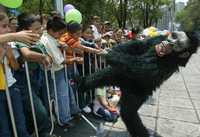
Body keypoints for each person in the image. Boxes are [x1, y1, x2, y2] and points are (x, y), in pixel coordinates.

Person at [77, 31, 199, 137]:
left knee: (127, 114)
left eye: (178, 44)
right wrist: (115, 51)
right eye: (173, 36)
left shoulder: (168, 67)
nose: (169, 43)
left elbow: (137, 68)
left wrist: (111, 55)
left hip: (139, 88)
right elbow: (138, 46)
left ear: (183, 54)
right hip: (124, 72)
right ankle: (78, 88)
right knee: (95, 79)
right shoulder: (161, 39)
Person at [13, 13, 55, 137]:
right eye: (36, 29)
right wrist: (42, 57)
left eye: (41, 27)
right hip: (24, 81)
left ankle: (38, 132)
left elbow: (48, 57)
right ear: (25, 31)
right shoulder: (22, 41)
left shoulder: (39, 42)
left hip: (39, 79)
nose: (40, 31)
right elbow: (26, 54)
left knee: (42, 109)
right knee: (39, 111)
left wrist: (47, 58)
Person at [40, 16, 80, 128]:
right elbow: (60, 61)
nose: (62, 36)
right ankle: (64, 120)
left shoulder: (50, 37)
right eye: (60, 33)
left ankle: (71, 112)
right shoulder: (47, 41)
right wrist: (75, 59)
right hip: (55, 72)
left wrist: (61, 45)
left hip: (59, 71)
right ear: (52, 30)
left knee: (67, 93)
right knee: (61, 96)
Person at [0, 11, 30, 137]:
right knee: (4, 128)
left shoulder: (7, 44)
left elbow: (15, 67)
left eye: (8, 26)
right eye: (4, 26)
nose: (8, 29)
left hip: (11, 85)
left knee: (20, 122)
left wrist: (10, 56)